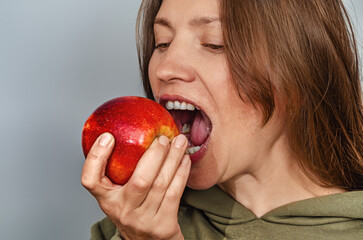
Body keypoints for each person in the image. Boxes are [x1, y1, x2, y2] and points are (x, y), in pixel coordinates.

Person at [81, 0, 363, 239]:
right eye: (162, 43)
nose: (164, 69)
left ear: (301, 72)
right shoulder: (127, 228)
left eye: (214, 44)